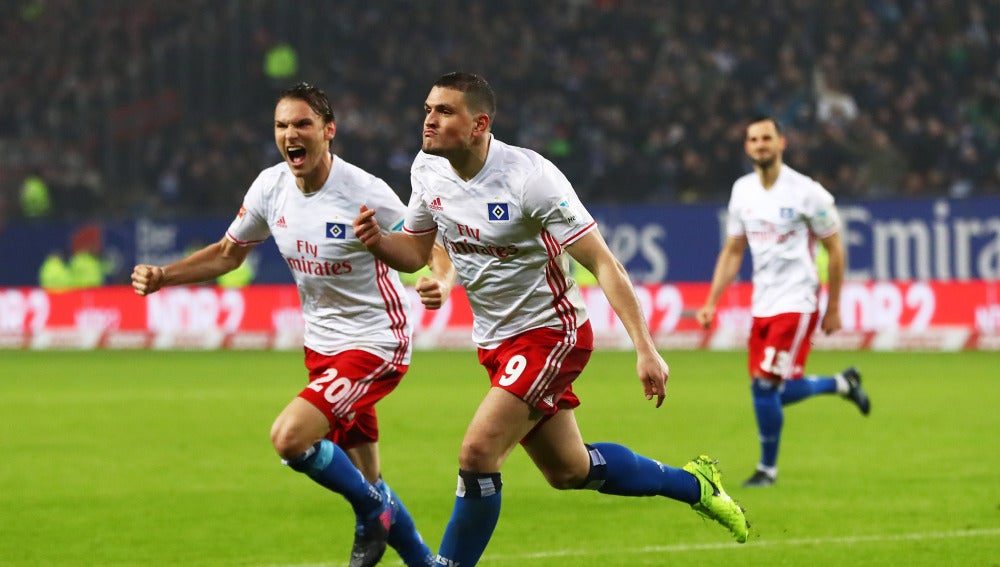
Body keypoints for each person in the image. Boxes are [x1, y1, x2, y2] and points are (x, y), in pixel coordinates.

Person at [353, 72, 749, 566]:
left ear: (479, 124)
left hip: (550, 333)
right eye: (428, 109)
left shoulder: (530, 179)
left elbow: (604, 262)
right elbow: (414, 251)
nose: (428, 120)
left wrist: (645, 348)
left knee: (477, 454)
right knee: (570, 470)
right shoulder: (427, 170)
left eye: (443, 111)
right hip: (496, 341)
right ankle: (695, 485)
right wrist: (378, 244)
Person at [131, 83, 454, 567]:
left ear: (328, 132)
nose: (290, 134)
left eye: (302, 124)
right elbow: (227, 254)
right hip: (321, 348)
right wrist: (164, 276)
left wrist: (440, 283)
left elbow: (433, 246)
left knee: (290, 438)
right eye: (282, 126)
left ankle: (372, 515)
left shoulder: (362, 191)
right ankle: (420, 558)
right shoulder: (270, 187)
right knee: (370, 477)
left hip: (375, 342)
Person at [696, 116, 871, 488]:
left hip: (798, 300)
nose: (760, 144)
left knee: (764, 388)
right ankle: (842, 383)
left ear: (781, 144)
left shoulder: (808, 192)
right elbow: (733, 250)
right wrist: (712, 300)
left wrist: (834, 306)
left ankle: (767, 471)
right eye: (753, 139)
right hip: (763, 303)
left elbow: (835, 249)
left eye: (767, 138)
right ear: (747, 147)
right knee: (770, 389)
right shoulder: (742, 190)